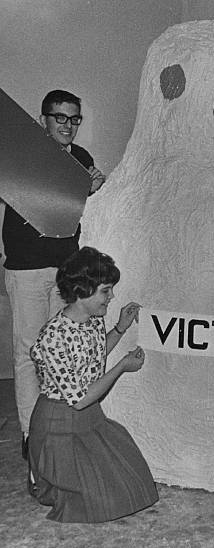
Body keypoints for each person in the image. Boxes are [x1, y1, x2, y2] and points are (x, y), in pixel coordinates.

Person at [2, 90, 105, 459]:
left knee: (58, 353)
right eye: (59, 117)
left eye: (73, 119)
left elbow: (82, 214)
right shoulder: (21, 154)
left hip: (66, 271)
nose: (67, 125)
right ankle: (32, 436)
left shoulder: (81, 160)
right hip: (26, 268)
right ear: (43, 118)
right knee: (28, 352)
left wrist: (95, 189)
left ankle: (56, 432)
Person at [29, 247, 158, 522]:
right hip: (59, 425)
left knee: (134, 484)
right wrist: (122, 366)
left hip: (89, 419)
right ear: (81, 290)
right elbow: (79, 399)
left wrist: (120, 328)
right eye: (105, 291)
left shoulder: (92, 321)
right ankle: (41, 474)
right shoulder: (53, 336)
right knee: (99, 501)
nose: (111, 297)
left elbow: (93, 357)